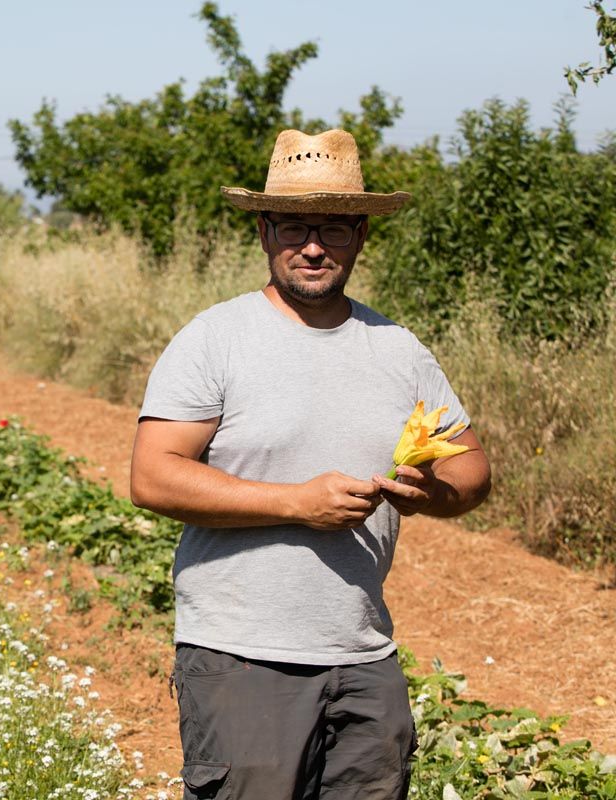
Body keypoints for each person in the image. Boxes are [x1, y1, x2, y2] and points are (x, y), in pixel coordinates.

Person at [129, 128, 492, 799]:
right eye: (295, 226)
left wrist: (429, 494)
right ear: (265, 232)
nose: (314, 246)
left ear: (360, 235)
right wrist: (296, 502)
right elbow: (153, 475)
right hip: (244, 657)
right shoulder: (215, 340)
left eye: (334, 228)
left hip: (365, 657)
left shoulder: (397, 348)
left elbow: (471, 468)